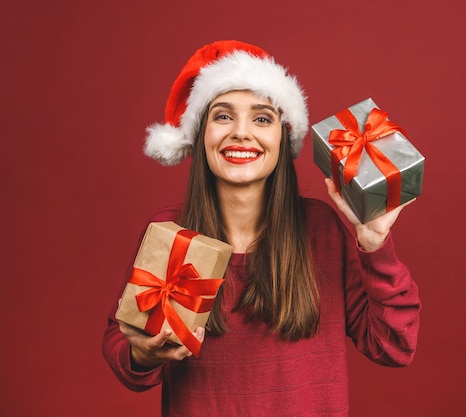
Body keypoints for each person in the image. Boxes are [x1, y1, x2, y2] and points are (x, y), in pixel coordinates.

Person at [102, 39, 421, 417]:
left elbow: (394, 346)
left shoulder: (322, 230)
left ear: (283, 136)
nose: (241, 132)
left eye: (262, 118)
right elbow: (124, 352)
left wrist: (375, 244)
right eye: (222, 116)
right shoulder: (170, 232)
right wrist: (141, 351)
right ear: (200, 134)